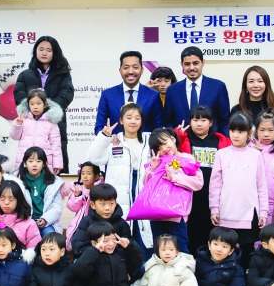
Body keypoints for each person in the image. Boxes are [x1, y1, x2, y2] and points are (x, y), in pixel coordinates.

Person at [87, 103, 151, 251]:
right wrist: (104, 137)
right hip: (121, 195)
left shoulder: (150, 140)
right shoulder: (113, 141)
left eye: (137, 118)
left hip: (143, 191)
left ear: (142, 121)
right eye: (129, 117)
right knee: (121, 238)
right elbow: (94, 158)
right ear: (121, 120)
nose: (133, 121)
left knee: (144, 237)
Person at [14, 35, 75, 172]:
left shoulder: (63, 74)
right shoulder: (25, 75)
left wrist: (49, 110)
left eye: (48, 50)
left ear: (54, 53)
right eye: (41, 49)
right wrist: (32, 109)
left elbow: (67, 93)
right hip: (31, 120)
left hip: (54, 120)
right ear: (35, 51)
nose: (44, 52)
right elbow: (19, 94)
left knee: (56, 150)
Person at [208, 112, 269, 248]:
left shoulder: (255, 155)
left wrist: (263, 212)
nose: (235, 135)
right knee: (226, 249)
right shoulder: (221, 154)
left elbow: (262, 186)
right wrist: (214, 209)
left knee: (247, 251)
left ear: (249, 133)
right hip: (226, 213)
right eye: (233, 130)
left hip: (249, 214)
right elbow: (215, 186)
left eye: (240, 131)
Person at [175, 105, 229, 250]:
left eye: (204, 120)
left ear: (211, 122)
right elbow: (170, 148)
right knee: (191, 232)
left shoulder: (221, 141)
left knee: (213, 231)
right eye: (195, 120)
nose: (199, 124)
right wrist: (178, 136)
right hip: (191, 194)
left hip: (214, 195)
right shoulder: (184, 140)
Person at [142, 127, 203, 255]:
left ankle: (184, 275)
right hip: (157, 215)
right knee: (160, 251)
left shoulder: (187, 159)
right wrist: (152, 168)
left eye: (165, 143)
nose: (163, 149)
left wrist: (175, 178)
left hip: (177, 216)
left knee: (181, 249)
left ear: (173, 139)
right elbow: (146, 185)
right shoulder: (156, 162)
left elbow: (198, 183)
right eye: (158, 148)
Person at [163, 46, 232, 134]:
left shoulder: (218, 87)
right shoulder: (172, 90)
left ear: (203, 63)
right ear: (182, 65)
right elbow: (168, 122)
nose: (191, 68)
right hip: (181, 144)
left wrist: (223, 143)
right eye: (187, 64)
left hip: (212, 144)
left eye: (195, 63)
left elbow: (225, 121)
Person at [94, 50, 162, 135]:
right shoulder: (107, 95)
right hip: (115, 146)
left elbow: (158, 128)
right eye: (126, 67)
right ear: (120, 70)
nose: (130, 71)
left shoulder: (153, 96)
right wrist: (107, 137)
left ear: (142, 70)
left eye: (135, 67)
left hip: (144, 146)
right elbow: (99, 127)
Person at [10, 89, 63, 174]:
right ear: (28, 105)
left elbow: (56, 145)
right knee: (24, 184)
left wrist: (57, 164)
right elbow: (14, 136)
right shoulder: (23, 120)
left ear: (45, 105)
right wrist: (18, 124)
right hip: (25, 161)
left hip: (44, 162)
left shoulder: (51, 123)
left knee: (43, 184)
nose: (35, 107)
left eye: (38, 104)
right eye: (32, 104)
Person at [19, 146, 64, 236]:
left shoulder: (53, 182)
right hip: (25, 223)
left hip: (46, 223)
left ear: (43, 164)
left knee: (50, 237)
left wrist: (45, 219)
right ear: (25, 163)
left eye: (38, 161)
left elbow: (57, 206)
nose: (34, 164)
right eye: (30, 161)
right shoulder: (18, 182)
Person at [231, 65, 274, 134]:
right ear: (245, 85)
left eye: (260, 81)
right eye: (251, 81)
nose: (256, 85)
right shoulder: (237, 110)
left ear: (266, 84)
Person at [0, 180, 42, 255]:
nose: (6, 202)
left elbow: (34, 250)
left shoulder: (29, 224)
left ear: (19, 200)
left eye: (11, 199)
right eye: (2, 198)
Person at [63, 162, 102, 248]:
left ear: (96, 176)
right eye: (83, 173)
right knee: (77, 239)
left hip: (96, 222)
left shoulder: (100, 189)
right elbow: (72, 207)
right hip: (80, 222)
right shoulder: (78, 188)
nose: (85, 176)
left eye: (88, 173)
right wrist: (78, 196)